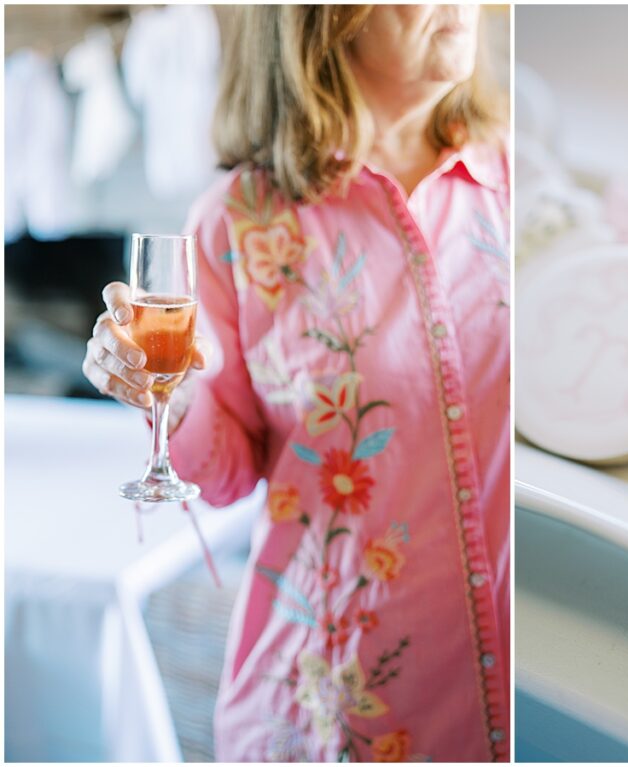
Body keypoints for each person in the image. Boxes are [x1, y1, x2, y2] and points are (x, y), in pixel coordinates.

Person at [82, 5, 509, 761]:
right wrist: (174, 402)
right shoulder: (239, 222)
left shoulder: (517, 182)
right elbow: (230, 471)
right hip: (333, 713)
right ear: (328, 16)